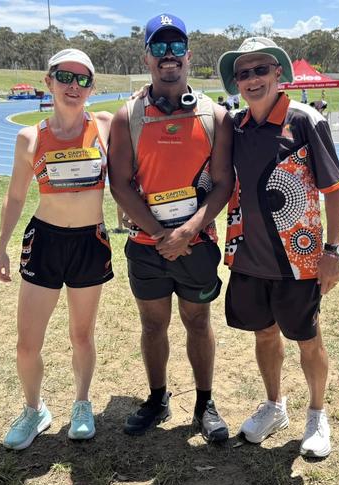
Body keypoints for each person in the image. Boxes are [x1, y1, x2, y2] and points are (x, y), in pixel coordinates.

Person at [109, 13, 234, 443]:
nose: (168, 56)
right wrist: (163, 236)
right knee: (152, 325)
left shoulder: (215, 115)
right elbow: (120, 185)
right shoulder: (128, 116)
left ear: (188, 55)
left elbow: (223, 184)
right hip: (147, 246)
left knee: (198, 322)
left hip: (196, 243)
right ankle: (158, 398)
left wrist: (188, 232)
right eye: (159, 47)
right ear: (146, 56)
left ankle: (205, 404)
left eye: (175, 47)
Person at [217, 37, 339, 458]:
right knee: (264, 333)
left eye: (260, 70)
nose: (252, 79)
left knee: (307, 337)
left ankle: (317, 414)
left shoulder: (306, 120)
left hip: (301, 259)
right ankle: (274, 405)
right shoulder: (233, 126)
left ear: (278, 73)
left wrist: (334, 251)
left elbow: (334, 188)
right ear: (236, 82)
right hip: (249, 259)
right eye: (243, 73)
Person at [0, 48, 113, 450]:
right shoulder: (30, 138)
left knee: (82, 335)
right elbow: (14, 197)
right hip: (44, 242)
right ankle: (34, 410)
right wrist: (1, 247)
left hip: (89, 243)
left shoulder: (106, 126)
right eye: (65, 77)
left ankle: (82, 403)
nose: (73, 86)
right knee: (27, 342)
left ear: (92, 87)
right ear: (49, 82)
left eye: (83, 79)